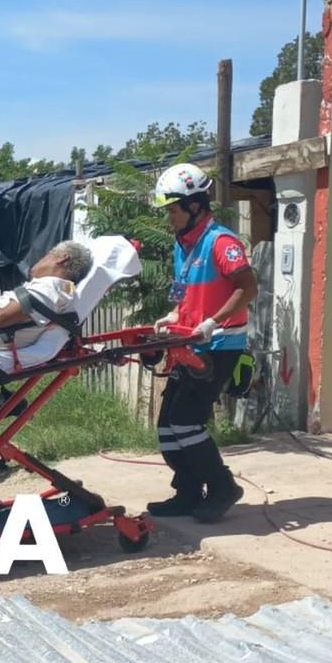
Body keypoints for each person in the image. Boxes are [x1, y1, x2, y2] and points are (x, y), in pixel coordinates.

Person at [146, 163, 255, 523]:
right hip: (189, 346)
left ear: (195, 206)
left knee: (186, 423)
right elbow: (187, 294)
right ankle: (189, 492)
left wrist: (213, 322)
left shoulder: (220, 242)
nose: (169, 218)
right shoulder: (184, 244)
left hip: (218, 346)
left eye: (173, 210)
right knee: (167, 427)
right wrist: (173, 315)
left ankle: (222, 487)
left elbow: (247, 288)